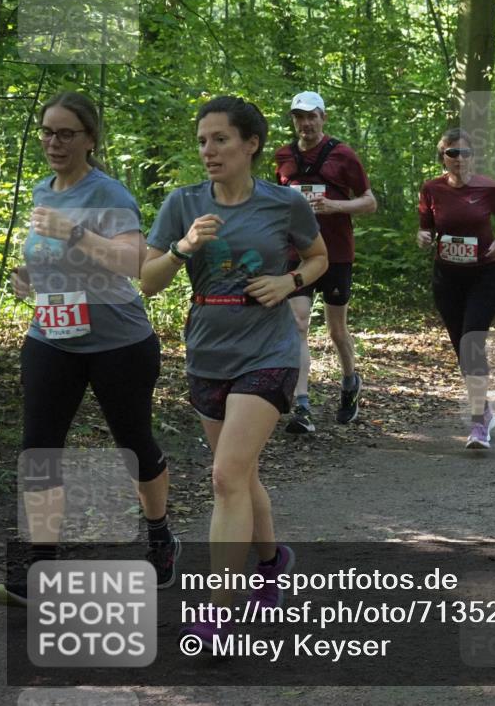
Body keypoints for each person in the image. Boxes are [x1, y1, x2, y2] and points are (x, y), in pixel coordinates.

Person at [142, 96, 328, 644]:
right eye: (202, 140)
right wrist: (182, 247)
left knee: (225, 477)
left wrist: (289, 283)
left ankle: (220, 610)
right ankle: (272, 561)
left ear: (250, 144)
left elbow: (319, 257)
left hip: (267, 351)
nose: (208, 150)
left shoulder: (283, 203)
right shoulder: (183, 203)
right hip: (207, 350)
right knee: (241, 475)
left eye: (220, 139)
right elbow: (147, 281)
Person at [0, 92, 177, 607]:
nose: (54, 142)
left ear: (90, 139)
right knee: (39, 449)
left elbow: (131, 264)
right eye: (48, 132)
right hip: (51, 338)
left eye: (66, 133)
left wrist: (73, 231)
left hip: (118, 341)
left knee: (134, 445)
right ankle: (40, 566)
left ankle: (159, 534)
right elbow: (52, 257)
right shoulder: (41, 189)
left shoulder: (110, 194)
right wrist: (30, 276)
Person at [274, 91, 377, 433]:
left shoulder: (343, 155)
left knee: (336, 330)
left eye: (312, 116)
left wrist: (335, 207)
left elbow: (369, 202)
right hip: (296, 254)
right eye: (299, 117)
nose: (306, 123)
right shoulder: (284, 156)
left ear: (323, 117)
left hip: (336, 253)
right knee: (298, 323)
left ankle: (350, 381)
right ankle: (301, 407)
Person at [417, 128, 495, 449]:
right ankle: (484, 408)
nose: (459, 159)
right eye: (452, 153)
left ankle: (477, 424)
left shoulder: (487, 187)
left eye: (465, 153)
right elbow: (426, 227)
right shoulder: (431, 188)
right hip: (447, 279)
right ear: (442, 157)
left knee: (472, 340)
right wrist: (423, 237)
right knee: (462, 348)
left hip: (484, 276)